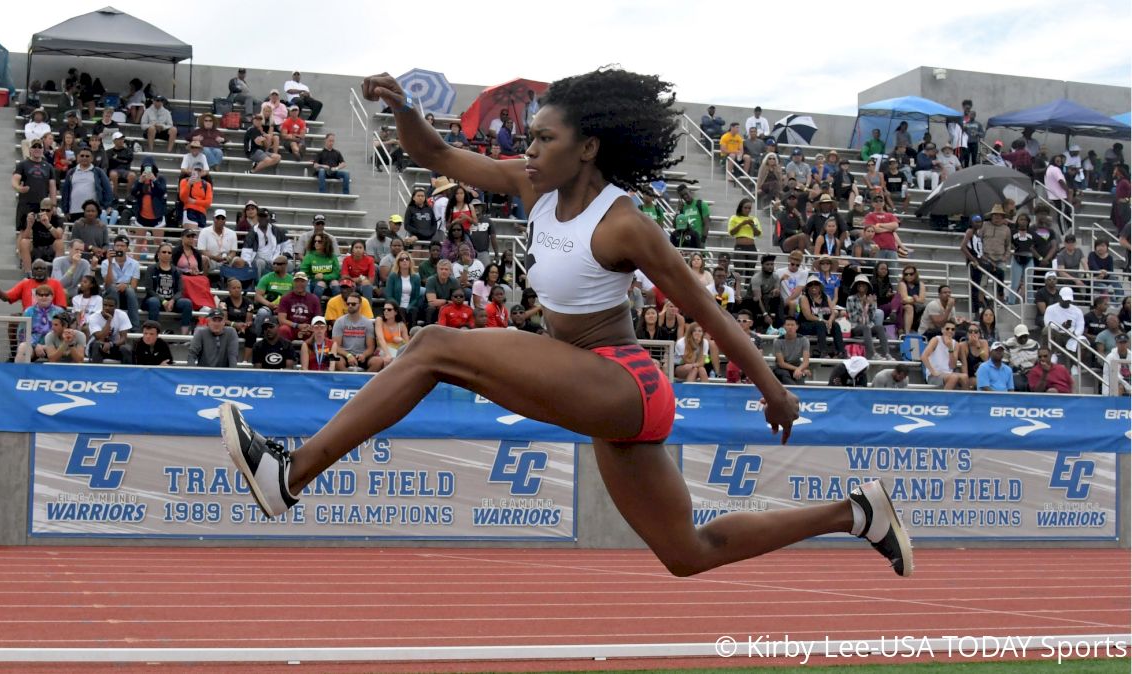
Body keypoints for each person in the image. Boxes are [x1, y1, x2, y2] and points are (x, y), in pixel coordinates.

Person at [220, 69, 913, 578]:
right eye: (527, 139)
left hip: (623, 383)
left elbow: (706, 309)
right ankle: (855, 514)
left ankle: (292, 474)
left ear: (586, 149)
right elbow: (434, 157)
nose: (528, 151)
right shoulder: (532, 186)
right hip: (596, 389)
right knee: (686, 554)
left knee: (434, 346)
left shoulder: (624, 225)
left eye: (543, 140)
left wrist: (772, 387)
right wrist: (402, 109)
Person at [332, 293, 383, 371]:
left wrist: (364, 355)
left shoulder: (367, 323)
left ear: (360, 305)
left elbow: (371, 347)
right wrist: (348, 355)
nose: (350, 306)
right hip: (345, 355)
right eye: (348, 303)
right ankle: (349, 380)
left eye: (353, 304)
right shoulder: (339, 322)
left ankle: (365, 381)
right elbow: (335, 346)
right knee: (334, 359)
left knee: (378, 361)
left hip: (362, 356)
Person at [921, 322, 967, 390]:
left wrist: (950, 348)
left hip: (948, 374)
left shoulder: (956, 344)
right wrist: (933, 371)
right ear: (942, 330)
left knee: (964, 377)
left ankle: (965, 400)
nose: (950, 331)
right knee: (953, 377)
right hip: (934, 375)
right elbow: (923, 356)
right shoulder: (936, 340)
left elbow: (953, 366)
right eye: (947, 329)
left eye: (952, 329)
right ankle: (943, 400)